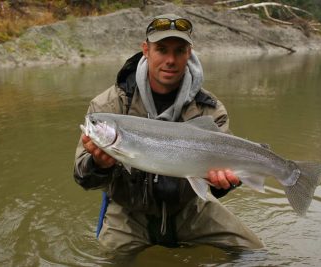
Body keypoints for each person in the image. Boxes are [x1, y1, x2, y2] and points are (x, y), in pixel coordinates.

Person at [73, 13, 263, 256]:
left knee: (256, 254)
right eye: (162, 50)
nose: (170, 60)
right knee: (108, 262)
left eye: (179, 51)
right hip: (130, 215)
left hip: (192, 209)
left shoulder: (210, 109)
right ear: (146, 50)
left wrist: (224, 185)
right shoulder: (108, 106)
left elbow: (216, 187)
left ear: (189, 53)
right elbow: (82, 178)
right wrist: (98, 164)